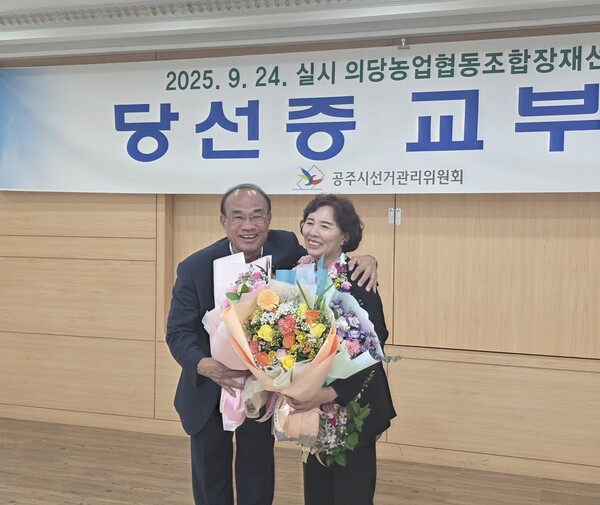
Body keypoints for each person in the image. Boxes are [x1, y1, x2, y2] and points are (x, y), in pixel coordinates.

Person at [165, 183, 378, 505]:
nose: (248, 225)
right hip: (210, 386)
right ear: (223, 221)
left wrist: (367, 259)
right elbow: (178, 331)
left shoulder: (285, 246)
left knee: (257, 471)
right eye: (238, 217)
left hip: (262, 386)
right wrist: (202, 363)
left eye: (257, 216)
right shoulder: (195, 267)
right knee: (210, 475)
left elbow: (327, 258)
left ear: (269, 219)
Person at [285, 194, 396, 505]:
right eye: (309, 223)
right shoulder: (299, 275)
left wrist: (331, 393)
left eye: (325, 226)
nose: (313, 232)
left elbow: (374, 345)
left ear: (345, 236)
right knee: (317, 494)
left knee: (351, 496)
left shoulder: (358, 278)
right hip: (313, 408)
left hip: (352, 407)